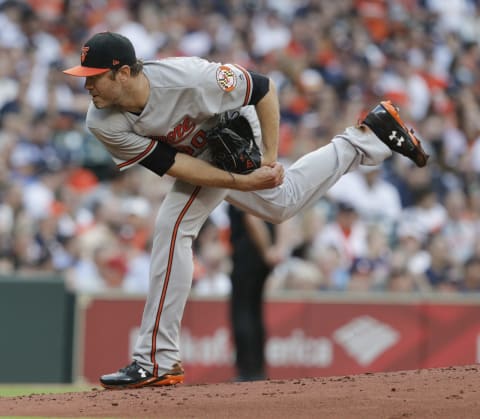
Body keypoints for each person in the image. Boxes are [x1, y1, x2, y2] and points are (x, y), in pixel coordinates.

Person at [62, 31, 428, 389]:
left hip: (232, 128)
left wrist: (267, 163)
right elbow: (171, 164)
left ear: (123, 73)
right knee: (282, 204)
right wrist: (240, 183)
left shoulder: (189, 78)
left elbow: (263, 88)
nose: (87, 87)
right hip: (194, 156)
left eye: (94, 78)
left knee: (173, 227)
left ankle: (156, 359)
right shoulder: (101, 121)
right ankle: (366, 137)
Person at [228, 205, 283, 381]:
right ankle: (258, 369)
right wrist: (278, 248)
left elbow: (251, 218)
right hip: (263, 254)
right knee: (255, 312)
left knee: (243, 311)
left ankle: (248, 371)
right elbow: (284, 215)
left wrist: (266, 249)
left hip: (249, 252)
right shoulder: (270, 180)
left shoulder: (245, 179)